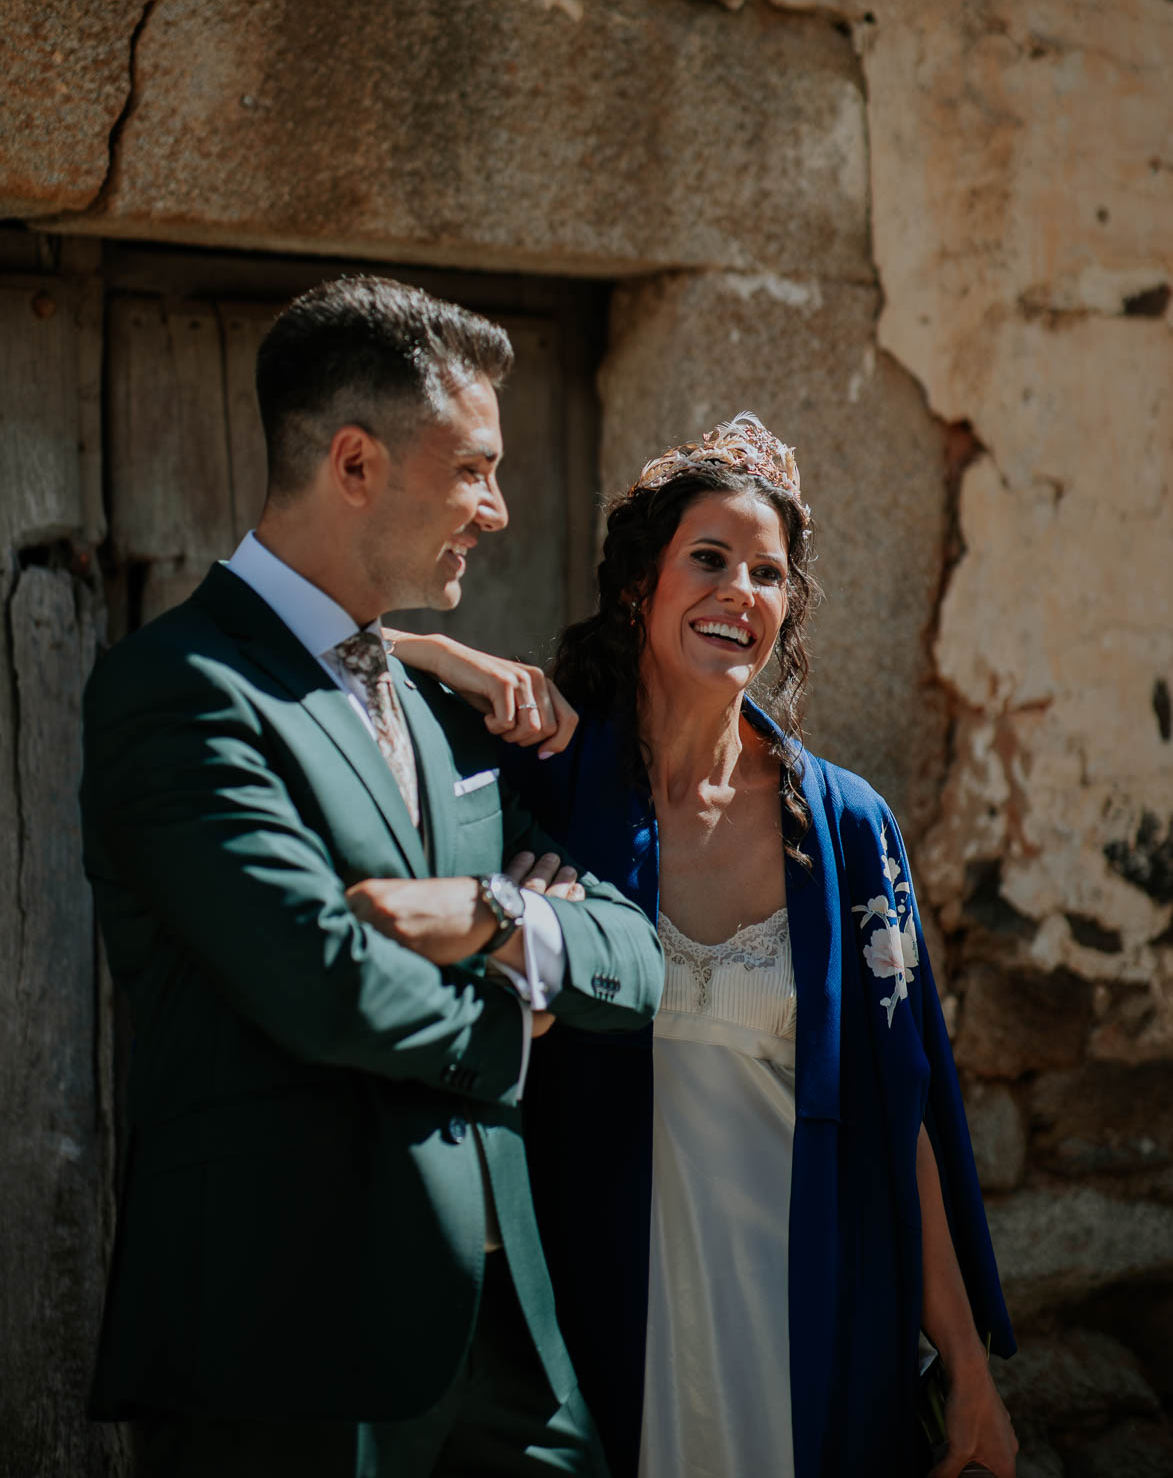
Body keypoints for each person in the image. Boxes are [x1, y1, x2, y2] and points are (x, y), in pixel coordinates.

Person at [81, 276, 664, 1477]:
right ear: (354, 462)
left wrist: (503, 916)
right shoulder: (180, 691)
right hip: (290, 1341)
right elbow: (321, 976)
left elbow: (634, 946)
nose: (498, 510)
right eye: (472, 469)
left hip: (512, 1349)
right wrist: (523, 1015)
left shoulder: (443, 702)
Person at [472, 413, 1019, 1478]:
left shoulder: (850, 829)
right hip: (605, 1308)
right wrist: (443, 651)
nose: (740, 593)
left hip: (808, 1308)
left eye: (768, 574)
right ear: (640, 586)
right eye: (709, 560)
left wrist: (968, 1371)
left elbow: (900, 1108)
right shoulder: (552, 793)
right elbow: (350, 671)